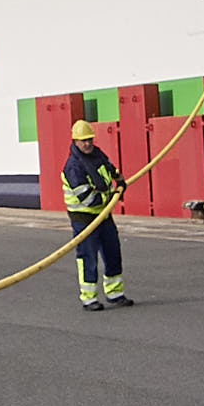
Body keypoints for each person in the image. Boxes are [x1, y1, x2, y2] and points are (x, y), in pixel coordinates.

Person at [62, 119, 130, 312]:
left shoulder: (96, 155)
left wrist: (118, 178)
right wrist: (110, 197)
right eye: (83, 140)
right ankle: (89, 298)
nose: (88, 143)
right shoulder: (73, 167)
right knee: (88, 258)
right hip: (85, 220)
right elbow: (86, 199)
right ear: (75, 141)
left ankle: (115, 293)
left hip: (104, 216)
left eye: (89, 139)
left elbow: (108, 168)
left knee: (112, 253)